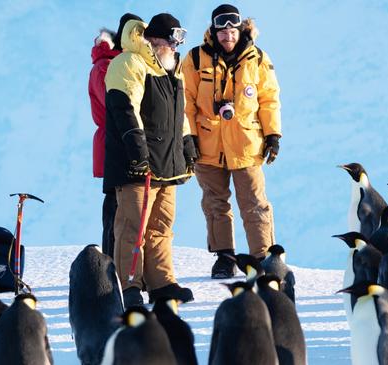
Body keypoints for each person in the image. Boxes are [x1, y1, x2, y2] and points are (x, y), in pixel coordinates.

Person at [104, 13, 198, 306]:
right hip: (137, 165)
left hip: (166, 165)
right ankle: (129, 285)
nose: (175, 46)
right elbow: (124, 109)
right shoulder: (129, 63)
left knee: (161, 227)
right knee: (132, 226)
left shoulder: (172, 70)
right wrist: (138, 150)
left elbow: (178, 117)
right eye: (172, 39)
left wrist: (187, 147)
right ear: (156, 39)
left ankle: (161, 283)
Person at [182, 4, 282, 279]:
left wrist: (273, 134)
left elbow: (269, 99)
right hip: (207, 144)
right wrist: (187, 138)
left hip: (246, 144)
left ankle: (261, 257)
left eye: (232, 28)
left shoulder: (258, 59)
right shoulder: (194, 59)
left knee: (254, 202)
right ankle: (224, 256)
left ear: (240, 28)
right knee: (215, 203)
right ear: (213, 30)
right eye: (221, 28)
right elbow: (185, 102)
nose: (227, 34)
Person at [89, 13, 142, 258]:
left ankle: (123, 262)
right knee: (115, 208)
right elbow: (114, 106)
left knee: (127, 207)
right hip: (114, 145)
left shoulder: (127, 62)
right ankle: (110, 263)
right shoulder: (106, 66)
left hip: (126, 142)